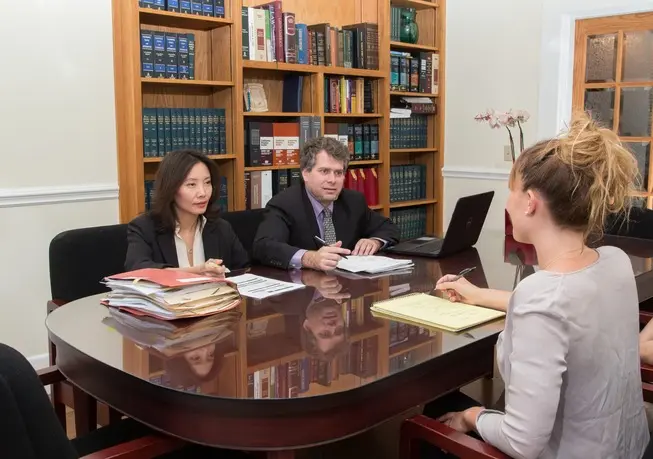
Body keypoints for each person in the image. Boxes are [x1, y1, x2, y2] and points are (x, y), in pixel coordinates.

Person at [422, 112, 649, 458]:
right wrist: (477, 294)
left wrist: (471, 416)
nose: (507, 203)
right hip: (631, 446)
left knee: (434, 412)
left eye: (510, 191)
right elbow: (563, 304)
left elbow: (522, 442)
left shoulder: (541, 298)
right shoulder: (615, 262)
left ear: (530, 202)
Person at [252, 136, 400, 271]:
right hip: (305, 291)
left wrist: (375, 241)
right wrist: (309, 258)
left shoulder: (353, 201)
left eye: (338, 173)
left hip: (346, 285)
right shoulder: (284, 204)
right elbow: (264, 246)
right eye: (324, 171)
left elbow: (388, 227)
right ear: (305, 173)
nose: (332, 180)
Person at [125, 149, 249, 275]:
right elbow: (137, 271)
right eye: (191, 185)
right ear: (171, 188)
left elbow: (244, 270)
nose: (203, 193)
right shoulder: (144, 228)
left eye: (207, 182)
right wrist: (197, 271)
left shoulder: (221, 228)